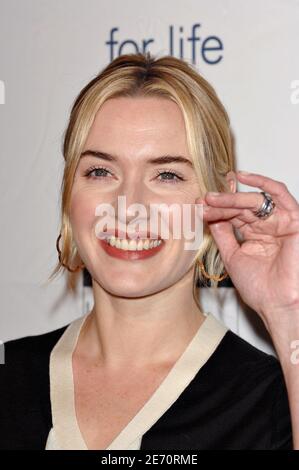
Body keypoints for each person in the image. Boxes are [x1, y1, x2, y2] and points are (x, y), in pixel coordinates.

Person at [0, 52, 298, 450]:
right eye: (100, 171)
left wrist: (288, 313)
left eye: (167, 174)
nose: (127, 204)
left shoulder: (274, 402)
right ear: (70, 190)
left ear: (220, 199)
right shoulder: (9, 376)